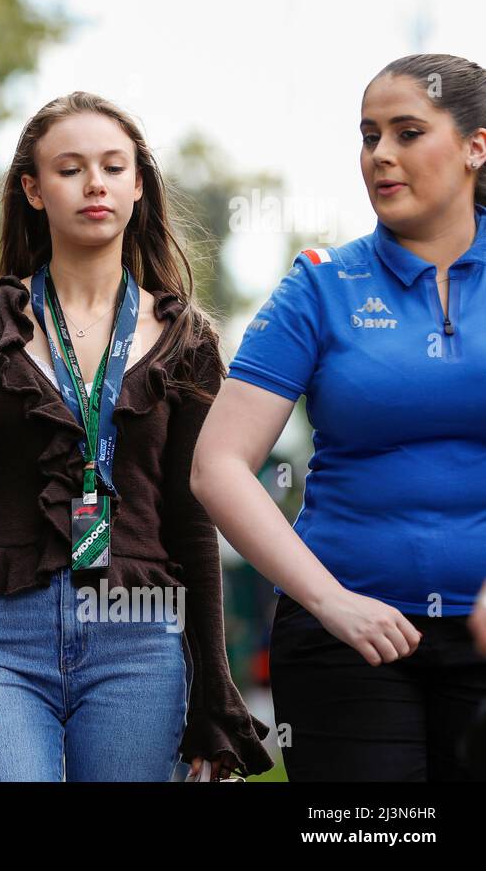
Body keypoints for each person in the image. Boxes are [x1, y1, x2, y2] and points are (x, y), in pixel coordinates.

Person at [0, 91, 272, 781]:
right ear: (33, 189)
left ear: (139, 185)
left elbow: (193, 518)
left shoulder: (189, 341)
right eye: (70, 168)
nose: (95, 184)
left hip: (140, 638)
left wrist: (215, 689)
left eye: (113, 167)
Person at [193, 53, 486, 781]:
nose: (380, 154)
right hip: (345, 647)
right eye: (369, 134)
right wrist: (330, 602)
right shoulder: (320, 286)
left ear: (477, 147)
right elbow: (217, 466)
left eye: (408, 132)